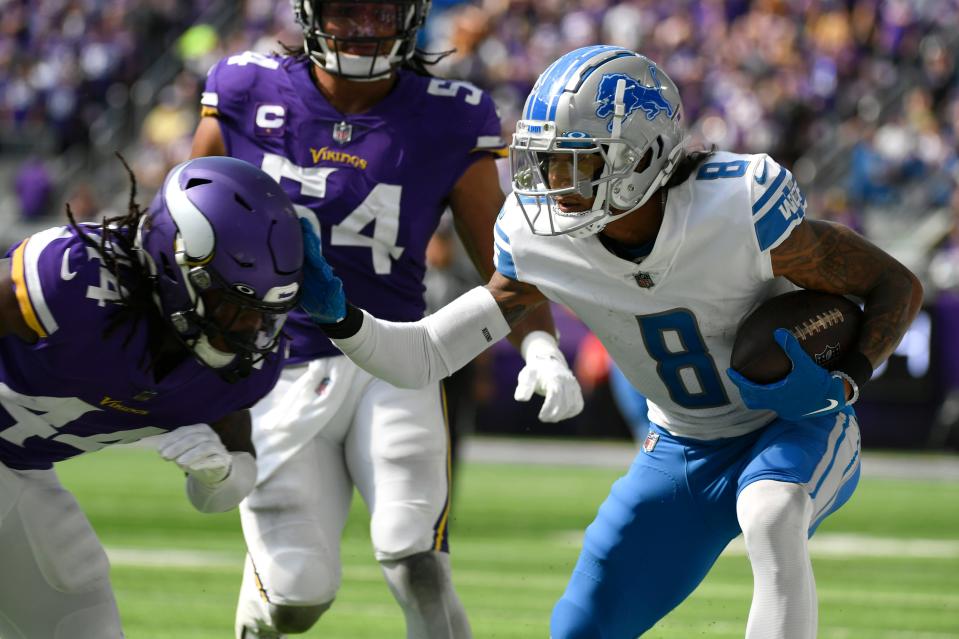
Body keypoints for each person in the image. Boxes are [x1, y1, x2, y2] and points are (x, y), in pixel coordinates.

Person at [298, 46, 924, 638]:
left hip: (793, 421)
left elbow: (894, 283)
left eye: (576, 159)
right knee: (579, 629)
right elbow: (424, 355)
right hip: (683, 441)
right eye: (544, 159)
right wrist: (340, 318)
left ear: (642, 157)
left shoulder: (738, 205)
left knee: (772, 513)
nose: (551, 181)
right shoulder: (538, 238)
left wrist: (849, 379)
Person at [189, 2, 583, 637]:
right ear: (311, 12)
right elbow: (181, 222)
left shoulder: (451, 114)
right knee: (296, 599)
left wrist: (540, 344)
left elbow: (503, 257)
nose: (363, 27)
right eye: (346, 10)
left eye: (380, 10)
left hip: (395, 359)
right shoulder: (245, 88)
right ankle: (259, 610)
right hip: (277, 367)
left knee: (416, 557)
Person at [0, 155, 305, 639]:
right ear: (174, 263)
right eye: (233, 304)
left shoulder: (239, 370)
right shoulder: (74, 281)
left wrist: (217, 476)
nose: (251, 329)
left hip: (16, 468)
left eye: (265, 311)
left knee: (81, 622)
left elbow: (232, 468)